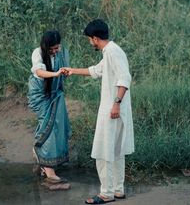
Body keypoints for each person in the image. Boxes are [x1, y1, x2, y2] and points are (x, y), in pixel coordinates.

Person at [65, 19, 134, 204]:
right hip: (116, 108)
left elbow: (125, 77)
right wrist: (72, 71)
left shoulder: (112, 51)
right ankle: (118, 191)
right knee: (116, 150)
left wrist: (116, 103)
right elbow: (97, 70)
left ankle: (106, 193)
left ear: (95, 38)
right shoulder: (111, 51)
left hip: (112, 108)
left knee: (103, 152)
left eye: (90, 39)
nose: (90, 42)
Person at [27, 30, 71, 184]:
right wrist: (55, 74)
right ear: (45, 46)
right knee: (48, 127)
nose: (54, 51)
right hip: (40, 94)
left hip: (55, 93)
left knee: (59, 126)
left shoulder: (62, 52)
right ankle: (48, 168)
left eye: (56, 48)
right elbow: (39, 71)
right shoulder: (37, 53)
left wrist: (64, 73)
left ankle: (42, 158)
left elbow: (64, 70)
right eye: (51, 49)